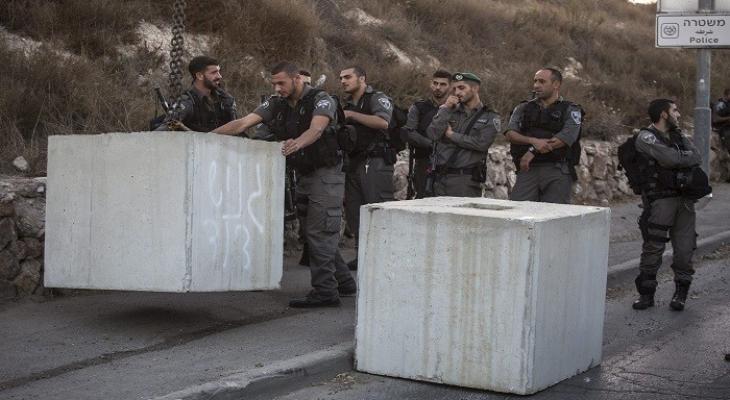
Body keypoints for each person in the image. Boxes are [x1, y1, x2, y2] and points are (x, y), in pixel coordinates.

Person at [213, 61, 356, 308]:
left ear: (297, 78)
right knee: (313, 232)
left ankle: (325, 292)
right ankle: (344, 281)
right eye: (274, 84)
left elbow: (317, 128)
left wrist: (297, 143)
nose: (277, 88)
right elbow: (244, 123)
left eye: (281, 83)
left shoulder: (321, 100)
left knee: (320, 232)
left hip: (326, 174)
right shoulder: (277, 103)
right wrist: (205, 137)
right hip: (304, 174)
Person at [632, 99, 703, 311]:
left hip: (685, 200)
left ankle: (681, 294)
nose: (678, 114)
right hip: (660, 201)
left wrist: (680, 158)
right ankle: (646, 295)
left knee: (685, 250)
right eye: (675, 110)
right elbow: (670, 158)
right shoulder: (646, 137)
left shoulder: (678, 136)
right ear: (664, 114)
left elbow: (697, 156)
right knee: (654, 247)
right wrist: (683, 158)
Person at [339, 66, 394, 270]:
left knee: (378, 209)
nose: (343, 81)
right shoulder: (347, 103)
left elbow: (383, 122)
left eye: (348, 77)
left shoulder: (376, 98)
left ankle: (383, 257)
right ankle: (362, 254)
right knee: (355, 212)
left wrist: (352, 115)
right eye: (341, 78)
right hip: (354, 161)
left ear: (362, 78)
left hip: (375, 161)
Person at [504, 68, 582, 204]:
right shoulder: (523, 108)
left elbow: (563, 139)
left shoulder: (571, 109)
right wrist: (532, 140)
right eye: (535, 81)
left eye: (542, 81)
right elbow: (511, 133)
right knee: (518, 211)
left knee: (554, 213)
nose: (536, 85)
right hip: (528, 170)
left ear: (556, 84)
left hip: (557, 170)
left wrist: (532, 151)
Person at [425, 72, 500, 197]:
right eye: (454, 89)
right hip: (439, 178)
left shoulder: (489, 116)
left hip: (465, 180)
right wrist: (445, 108)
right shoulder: (449, 110)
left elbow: (481, 144)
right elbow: (432, 134)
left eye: (461, 88)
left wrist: (451, 135)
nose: (457, 92)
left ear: (475, 88)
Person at [402, 70, 452, 198]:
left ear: (450, 86)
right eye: (435, 83)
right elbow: (409, 131)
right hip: (423, 161)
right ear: (431, 84)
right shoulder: (419, 107)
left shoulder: (456, 109)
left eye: (443, 84)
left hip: (450, 164)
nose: (438, 87)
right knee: (422, 198)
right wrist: (431, 144)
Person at [156, 56, 237, 132]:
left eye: (219, 72)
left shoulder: (226, 99)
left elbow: (235, 129)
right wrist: (179, 127)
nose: (219, 76)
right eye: (214, 72)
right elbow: (165, 128)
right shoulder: (186, 102)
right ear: (199, 76)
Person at [712, 88, 730, 154]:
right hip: (721, 128)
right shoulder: (719, 105)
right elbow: (715, 119)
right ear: (726, 95)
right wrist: (728, 118)